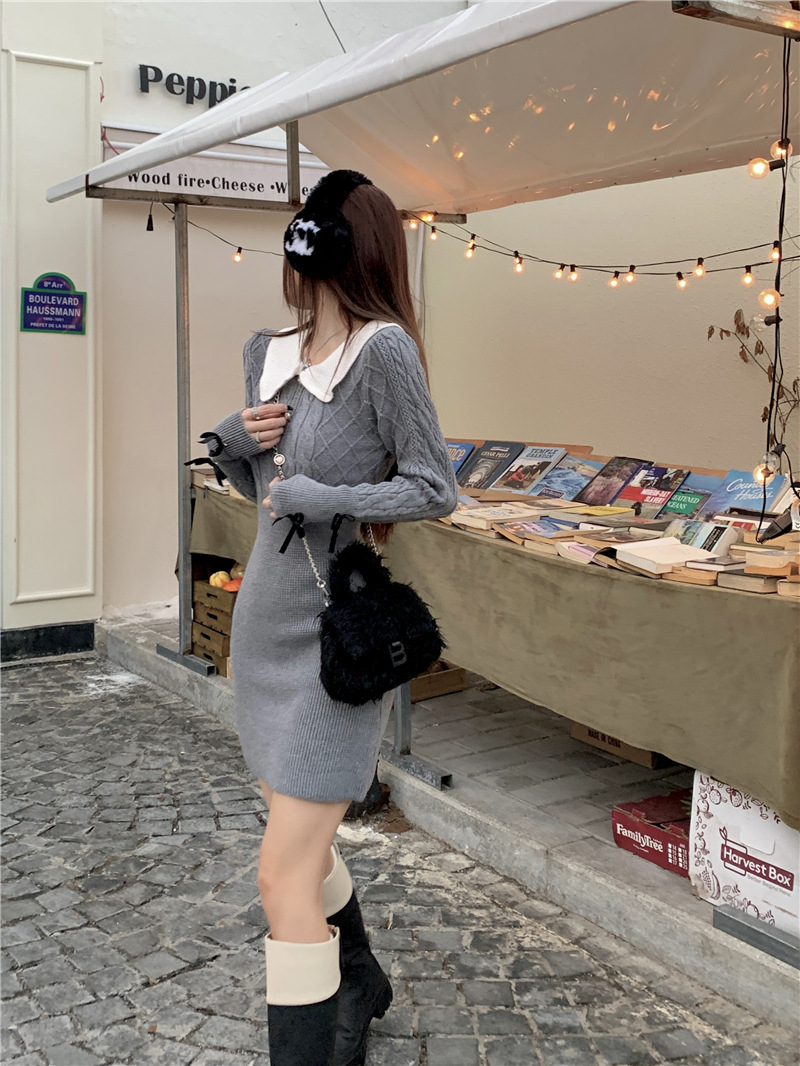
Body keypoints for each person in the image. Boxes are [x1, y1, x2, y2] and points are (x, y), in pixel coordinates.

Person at [204, 169, 458, 1066]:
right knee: (300, 851)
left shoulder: (383, 353)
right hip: (261, 628)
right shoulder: (265, 351)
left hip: (334, 642)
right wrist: (232, 443)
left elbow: (435, 488)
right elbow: (266, 497)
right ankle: (359, 979)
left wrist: (331, 494)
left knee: (281, 876)